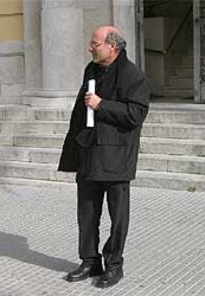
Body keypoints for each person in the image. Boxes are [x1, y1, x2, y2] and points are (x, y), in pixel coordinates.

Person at [58, 26, 150, 288]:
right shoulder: (92, 69)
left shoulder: (134, 76)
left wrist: (102, 104)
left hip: (117, 158)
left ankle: (114, 265)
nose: (90, 47)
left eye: (95, 43)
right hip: (89, 153)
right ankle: (89, 261)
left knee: (117, 216)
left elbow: (136, 114)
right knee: (86, 213)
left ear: (113, 46)